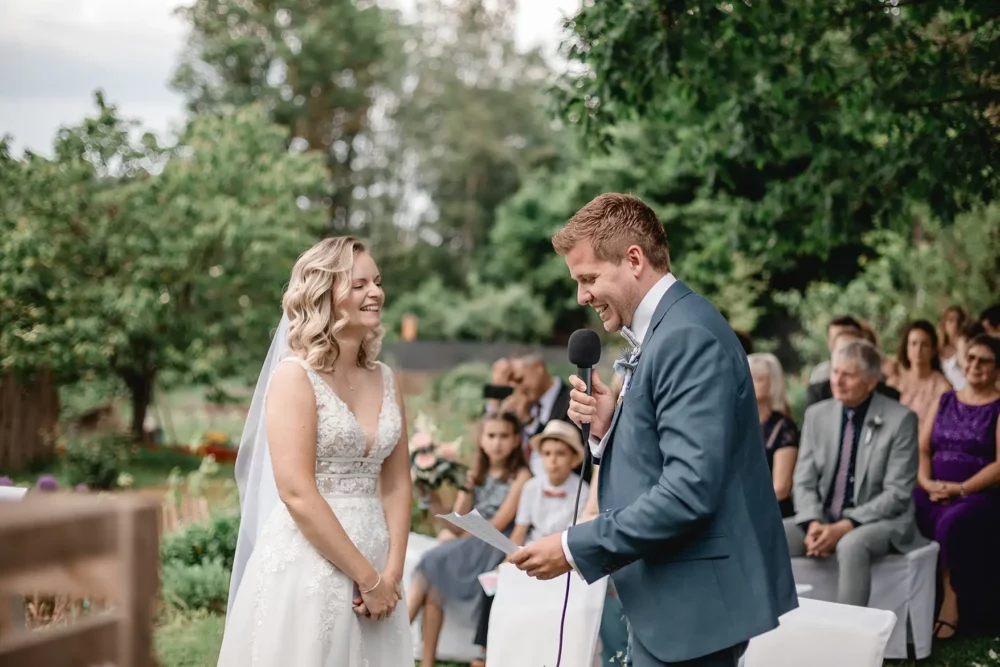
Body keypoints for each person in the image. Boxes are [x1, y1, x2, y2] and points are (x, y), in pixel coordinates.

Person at [509, 193, 797, 667]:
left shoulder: (686, 337)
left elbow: (689, 491)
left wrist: (571, 546)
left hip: (695, 605)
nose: (581, 296)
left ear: (634, 259)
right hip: (670, 598)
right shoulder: (666, 330)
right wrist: (607, 428)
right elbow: (658, 455)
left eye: (588, 278)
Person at [218, 237, 414, 666]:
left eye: (377, 282)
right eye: (359, 283)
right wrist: (366, 577)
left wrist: (392, 573)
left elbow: (398, 484)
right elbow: (296, 492)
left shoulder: (385, 378)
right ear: (324, 294)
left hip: (381, 564)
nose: (376, 292)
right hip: (311, 562)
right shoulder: (294, 378)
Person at [784, 338, 924, 607]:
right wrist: (813, 522)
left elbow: (897, 494)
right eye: (835, 371)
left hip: (883, 521)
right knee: (771, 534)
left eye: (848, 374)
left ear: (871, 382)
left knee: (851, 544)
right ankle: (776, 631)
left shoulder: (901, 419)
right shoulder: (816, 415)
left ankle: (850, 639)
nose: (837, 380)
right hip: (823, 517)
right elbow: (803, 479)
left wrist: (844, 527)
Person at [407, 411, 531, 667]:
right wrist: (466, 487)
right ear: (482, 440)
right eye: (491, 436)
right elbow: (457, 517)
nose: (497, 443)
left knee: (432, 561)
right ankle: (426, 661)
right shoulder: (476, 473)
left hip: (494, 543)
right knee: (434, 585)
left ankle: (393, 639)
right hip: (471, 539)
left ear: (516, 440)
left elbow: (499, 522)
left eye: (504, 436)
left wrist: (457, 538)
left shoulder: (521, 477)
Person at [471, 419, 589, 665]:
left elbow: (578, 533)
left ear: (574, 459)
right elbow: (520, 530)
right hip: (532, 550)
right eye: (547, 454)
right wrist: (506, 562)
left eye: (560, 454)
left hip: (562, 555)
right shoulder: (532, 487)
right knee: (494, 586)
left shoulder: (583, 491)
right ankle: (487, 651)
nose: (553, 460)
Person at [914, 334, 1000, 638]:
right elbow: (923, 448)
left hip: (978, 494)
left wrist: (961, 488)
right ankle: (906, 600)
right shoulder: (945, 399)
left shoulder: (999, 406)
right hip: (934, 488)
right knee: (904, 509)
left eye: (984, 360)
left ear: (996, 367)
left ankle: (951, 600)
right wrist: (925, 483)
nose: (975, 365)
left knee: (952, 523)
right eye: (971, 358)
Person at [748, 353, 798, 518]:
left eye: (758, 379)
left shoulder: (783, 428)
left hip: (770, 514)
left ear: (773, 384)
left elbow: (781, 488)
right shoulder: (735, 424)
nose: (749, 383)